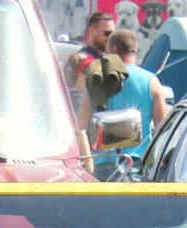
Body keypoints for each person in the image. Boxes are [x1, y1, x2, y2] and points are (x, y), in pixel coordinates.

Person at [76, 28, 168, 178]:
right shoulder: (151, 82)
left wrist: (88, 164)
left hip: (101, 167)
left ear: (113, 48)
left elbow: (79, 128)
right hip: (137, 167)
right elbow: (163, 131)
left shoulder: (97, 79)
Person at [64, 10, 114, 89]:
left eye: (113, 34)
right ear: (92, 31)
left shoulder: (107, 61)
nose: (110, 37)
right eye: (107, 33)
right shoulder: (80, 60)